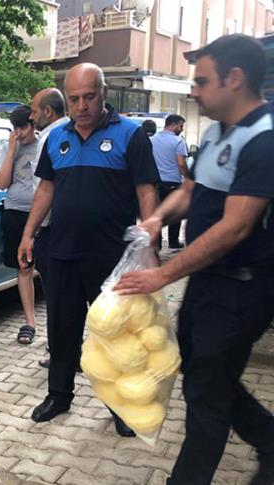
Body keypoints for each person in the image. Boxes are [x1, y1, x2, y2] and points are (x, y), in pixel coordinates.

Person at [115, 34, 274, 485]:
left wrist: (162, 274)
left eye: (202, 81)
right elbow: (190, 191)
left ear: (235, 79)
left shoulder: (264, 141)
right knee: (206, 374)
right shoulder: (219, 130)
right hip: (209, 283)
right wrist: (156, 219)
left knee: (206, 394)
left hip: (242, 287)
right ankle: (269, 439)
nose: (194, 91)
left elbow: (236, 226)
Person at [17, 63, 160, 436]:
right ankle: (59, 396)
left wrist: (150, 246)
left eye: (89, 97)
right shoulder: (57, 138)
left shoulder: (130, 135)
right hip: (62, 252)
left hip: (112, 258)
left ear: (104, 93)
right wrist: (28, 233)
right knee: (62, 329)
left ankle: (121, 408)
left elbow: (147, 191)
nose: (81, 106)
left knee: (114, 336)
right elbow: (46, 188)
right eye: (75, 98)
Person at [28, 88, 69, 369]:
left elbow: (45, 189)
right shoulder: (69, 132)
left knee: (56, 297)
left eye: (33, 112)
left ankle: (61, 352)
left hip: (52, 229)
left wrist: (35, 230)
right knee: (64, 296)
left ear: (47, 111)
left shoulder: (52, 137)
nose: (31, 117)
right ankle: (68, 349)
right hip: (63, 229)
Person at [0, 105, 39, 344]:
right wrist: (11, 152)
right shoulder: (7, 147)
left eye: (23, 127)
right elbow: (2, 184)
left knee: (50, 270)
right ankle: (30, 322)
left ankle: (57, 327)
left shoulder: (43, 145)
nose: (19, 133)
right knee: (23, 268)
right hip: (15, 212)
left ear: (33, 124)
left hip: (42, 215)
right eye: (16, 128)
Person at [150, 114, 189, 250]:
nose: (182, 129)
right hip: (173, 182)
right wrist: (188, 177)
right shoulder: (178, 142)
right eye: (180, 126)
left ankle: (158, 243)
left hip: (154, 183)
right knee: (175, 213)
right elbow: (181, 163)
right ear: (172, 125)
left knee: (157, 213)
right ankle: (173, 242)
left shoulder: (151, 140)